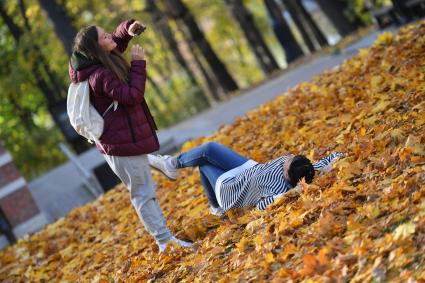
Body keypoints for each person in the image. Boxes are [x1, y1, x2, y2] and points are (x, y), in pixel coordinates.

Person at [68, 19, 191, 252]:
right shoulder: (100, 76)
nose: (109, 38)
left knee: (140, 176)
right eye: (104, 37)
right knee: (143, 193)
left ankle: (162, 163)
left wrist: (126, 30)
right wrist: (138, 65)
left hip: (121, 140)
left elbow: (114, 42)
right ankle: (165, 241)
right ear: (96, 48)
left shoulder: (96, 62)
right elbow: (131, 96)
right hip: (119, 143)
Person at [149, 142, 345, 216]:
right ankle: (172, 164)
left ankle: (216, 206)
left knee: (204, 164)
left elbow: (262, 206)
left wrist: (293, 193)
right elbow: (325, 163)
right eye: (288, 158)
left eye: (285, 164)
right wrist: (339, 155)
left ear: (288, 176)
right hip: (249, 169)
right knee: (209, 149)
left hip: (232, 189)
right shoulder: (305, 167)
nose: (284, 160)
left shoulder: (279, 189)